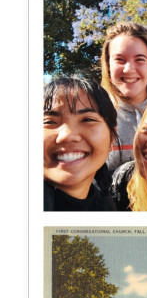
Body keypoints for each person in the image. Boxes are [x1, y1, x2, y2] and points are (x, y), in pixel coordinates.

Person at [101, 21, 147, 172]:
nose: (129, 69)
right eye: (119, 59)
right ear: (108, 66)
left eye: (139, 59)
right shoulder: (96, 115)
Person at [43, 73, 119, 211]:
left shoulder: (106, 206)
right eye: (49, 122)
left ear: (112, 138)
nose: (67, 135)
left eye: (87, 120)